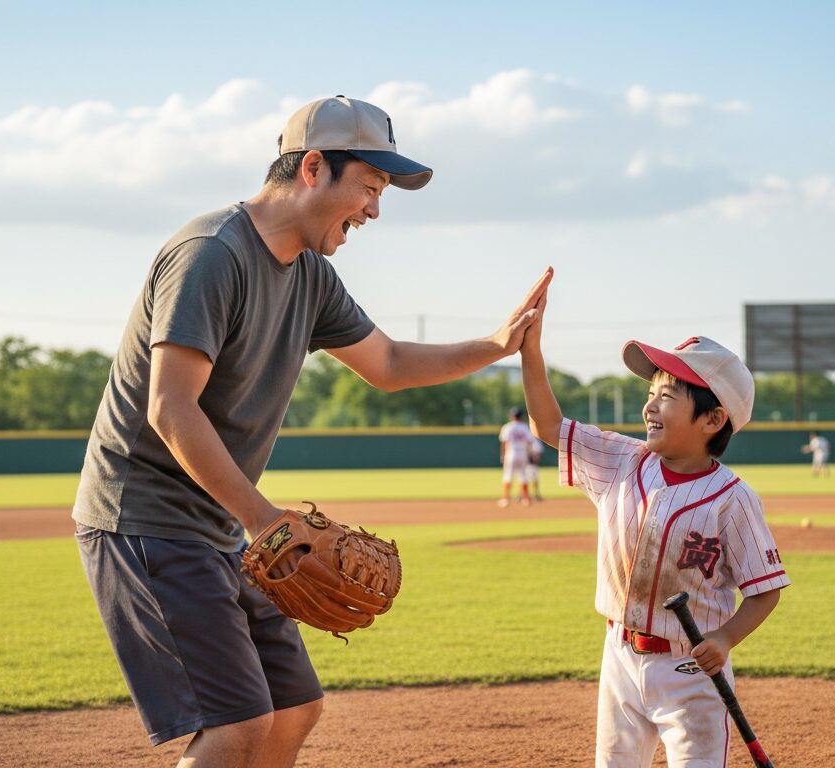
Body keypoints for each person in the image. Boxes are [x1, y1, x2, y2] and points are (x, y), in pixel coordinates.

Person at [71, 95, 552, 768]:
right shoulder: (212, 254)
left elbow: (386, 364)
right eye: (370, 187)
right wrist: (265, 520)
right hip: (143, 520)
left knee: (294, 707)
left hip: (215, 530)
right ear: (314, 168)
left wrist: (496, 345)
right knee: (237, 724)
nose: (375, 210)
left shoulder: (313, 278)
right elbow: (170, 407)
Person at [518, 287, 788, 767]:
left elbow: (765, 591)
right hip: (619, 657)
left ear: (713, 419)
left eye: (667, 396)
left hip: (691, 671)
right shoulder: (621, 460)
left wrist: (724, 639)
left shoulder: (734, 500)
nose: (650, 406)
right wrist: (531, 351)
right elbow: (548, 426)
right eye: (650, 394)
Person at [498, 406, 535, 506]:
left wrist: (503, 455)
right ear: (521, 416)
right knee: (523, 476)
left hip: (511, 452)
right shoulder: (524, 427)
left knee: (508, 476)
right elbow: (530, 442)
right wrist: (530, 453)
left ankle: (505, 499)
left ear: (511, 416)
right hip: (522, 452)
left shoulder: (507, 427)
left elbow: (504, 443)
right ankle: (525, 499)